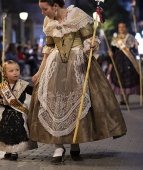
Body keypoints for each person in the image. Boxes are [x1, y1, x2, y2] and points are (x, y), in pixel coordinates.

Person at [28, 0, 127, 163]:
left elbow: (89, 40)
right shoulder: (48, 22)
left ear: (55, 6)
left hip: (77, 63)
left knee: (79, 103)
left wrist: (92, 45)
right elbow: (48, 50)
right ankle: (58, 147)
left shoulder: (77, 15)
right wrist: (39, 72)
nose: (42, 13)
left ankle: (75, 143)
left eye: (44, 9)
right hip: (55, 66)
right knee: (55, 104)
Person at [0, 60, 37, 161]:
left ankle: (14, 151)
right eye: (11, 71)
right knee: (6, 132)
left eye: (17, 70)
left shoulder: (23, 84)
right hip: (5, 112)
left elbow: (34, 92)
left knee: (17, 132)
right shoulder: (2, 87)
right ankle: (8, 150)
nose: (15, 72)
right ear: (5, 74)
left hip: (18, 112)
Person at [107, 22, 140, 105]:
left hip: (128, 62)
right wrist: (110, 53)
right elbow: (113, 52)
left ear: (126, 28)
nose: (121, 28)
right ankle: (122, 98)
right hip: (118, 62)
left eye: (123, 27)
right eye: (120, 27)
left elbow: (135, 52)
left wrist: (136, 47)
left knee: (127, 79)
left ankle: (126, 98)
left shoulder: (131, 38)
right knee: (119, 79)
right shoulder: (115, 40)